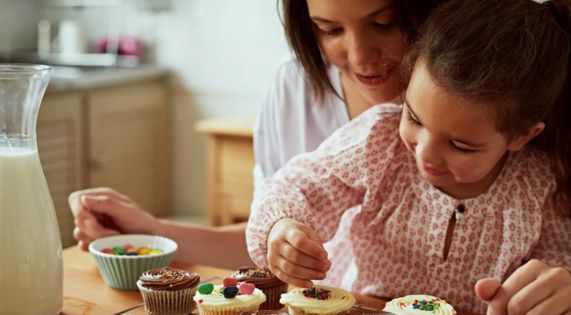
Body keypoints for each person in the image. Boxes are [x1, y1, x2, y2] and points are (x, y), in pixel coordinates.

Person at [245, 0, 571, 315]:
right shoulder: (377, 140)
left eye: (461, 145)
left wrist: (544, 302)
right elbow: (296, 186)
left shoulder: (539, 182)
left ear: (521, 136)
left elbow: (564, 267)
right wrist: (283, 226)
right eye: (413, 117)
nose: (425, 153)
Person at [66, 0, 444, 269]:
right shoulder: (293, 88)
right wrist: (153, 231)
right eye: (330, 30)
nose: (360, 56)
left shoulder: (469, 105)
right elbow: (267, 243)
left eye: (384, 23)